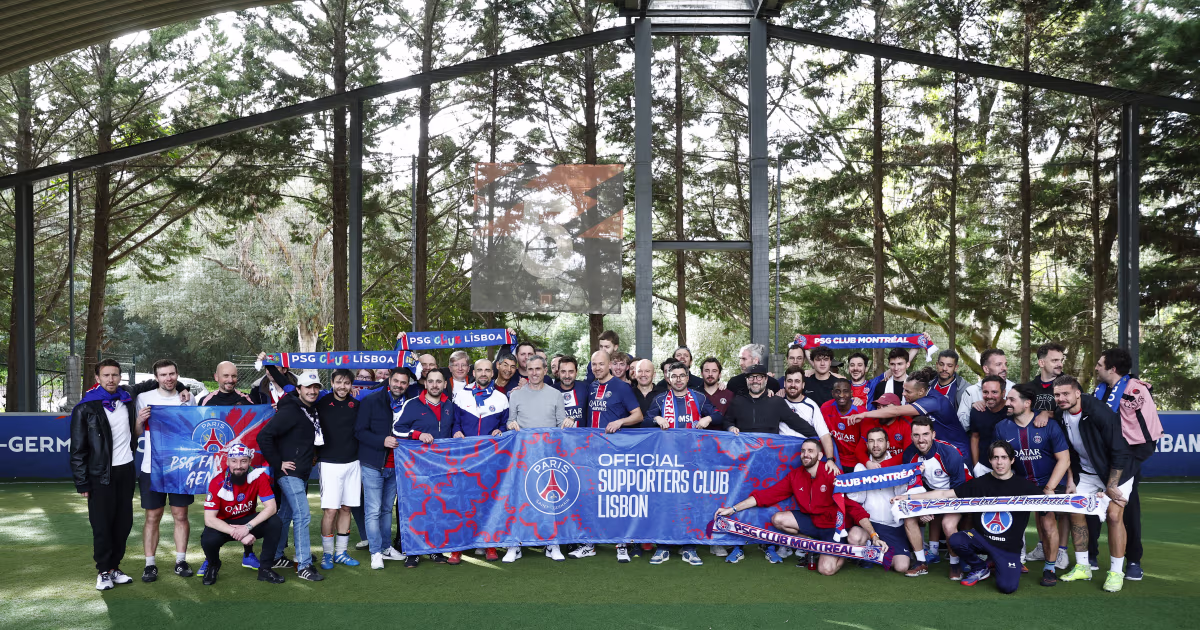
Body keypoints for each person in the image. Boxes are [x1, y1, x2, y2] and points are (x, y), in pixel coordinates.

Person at [70, 359, 188, 590]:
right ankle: (103, 571)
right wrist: (82, 482)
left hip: (126, 471)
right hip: (99, 474)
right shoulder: (85, 407)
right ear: (98, 378)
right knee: (102, 525)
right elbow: (77, 450)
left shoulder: (127, 396)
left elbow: (163, 379)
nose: (111, 379)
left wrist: (183, 387)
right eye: (106, 375)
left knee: (123, 523)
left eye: (115, 375)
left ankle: (115, 568)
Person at [716, 439, 884, 576]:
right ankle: (816, 546)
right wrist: (732, 509)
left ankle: (845, 552)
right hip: (812, 522)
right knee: (778, 519)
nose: (805, 455)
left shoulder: (832, 473)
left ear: (819, 455)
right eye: (803, 451)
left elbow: (853, 507)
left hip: (835, 527)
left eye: (810, 451)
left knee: (826, 570)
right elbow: (767, 495)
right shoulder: (795, 475)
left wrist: (873, 534)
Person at [902, 441, 1048, 594]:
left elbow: (1049, 506)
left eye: (1004, 457)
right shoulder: (980, 483)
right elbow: (945, 494)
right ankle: (980, 566)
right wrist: (909, 497)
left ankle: (998, 563)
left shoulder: (1026, 487)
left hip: (1008, 547)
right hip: (982, 539)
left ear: (1012, 460)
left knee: (1007, 587)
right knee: (956, 539)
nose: (999, 462)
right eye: (995, 457)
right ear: (990, 460)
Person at [1053, 374, 1135, 593]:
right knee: (1075, 512)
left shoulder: (1099, 413)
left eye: (1066, 394)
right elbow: (1067, 451)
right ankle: (1083, 566)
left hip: (1118, 471)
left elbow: (1120, 450)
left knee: (1114, 516)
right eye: (1057, 395)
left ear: (1078, 393)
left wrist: (1111, 484)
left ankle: (1116, 573)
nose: (1061, 398)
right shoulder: (1061, 415)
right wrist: (1071, 479)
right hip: (1087, 473)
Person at [642, 361, 725, 566]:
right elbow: (645, 421)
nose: (678, 379)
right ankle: (663, 546)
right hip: (667, 460)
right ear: (668, 379)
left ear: (688, 377)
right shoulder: (660, 399)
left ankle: (689, 547)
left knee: (690, 504)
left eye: (682, 375)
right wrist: (657, 419)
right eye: (674, 376)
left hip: (692, 460)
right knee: (665, 503)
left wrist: (708, 419)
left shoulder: (699, 397)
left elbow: (719, 415)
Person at [1093, 347, 1162, 581]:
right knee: (1093, 502)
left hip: (1127, 458)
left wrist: (1130, 459)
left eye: (1100, 364)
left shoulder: (1136, 389)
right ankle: (1090, 556)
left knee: (1126, 507)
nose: (1096, 368)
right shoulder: (1100, 390)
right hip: (1101, 457)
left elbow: (1147, 433)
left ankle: (1133, 560)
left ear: (1112, 369)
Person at [570, 350, 643, 562]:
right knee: (590, 497)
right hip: (590, 452)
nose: (597, 368)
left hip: (615, 452)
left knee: (616, 497)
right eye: (594, 364)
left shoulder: (622, 387)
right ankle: (589, 544)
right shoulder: (590, 386)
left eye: (601, 364)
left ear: (609, 364)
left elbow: (637, 415)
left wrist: (620, 422)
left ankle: (621, 544)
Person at [995, 383, 1071, 586]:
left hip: (1047, 484)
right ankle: (1013, 561)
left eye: (1012, 399)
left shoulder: (1048, 425)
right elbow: (1000, 460)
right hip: (1019, 484)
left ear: (1027, 403)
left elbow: (1064, 459)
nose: (1007, 403)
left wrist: (1050, 488)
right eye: (1007, 399)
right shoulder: (1002, 427)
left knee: (1047, 525)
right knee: (1011, 525)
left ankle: (1050, 568)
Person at [256, 370, 324, 582]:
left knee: (285, 515)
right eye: (308, 387)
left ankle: (276, 556)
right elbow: (263, 435)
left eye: (315, 388)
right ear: (299, 390)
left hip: (301, 471)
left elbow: (284, 383)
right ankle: (304, 564)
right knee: (302, 515)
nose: (312, 391)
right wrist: (278, 463)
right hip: (289, 472)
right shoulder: (291, 410)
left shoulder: (309, 409)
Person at [134, 359, 197, 582]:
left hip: (180, 466)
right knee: (153, 516)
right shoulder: (144, 398)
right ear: (156, 377)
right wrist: (140, 421)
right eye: (163, 375)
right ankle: (149, 565)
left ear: (177, 374)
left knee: (181, 514)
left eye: (172, 374)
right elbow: (137, 432)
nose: (168, 378)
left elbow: (194, 431)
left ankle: (180, 560)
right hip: (152, 466)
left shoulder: (188, 399)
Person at [196, 361, 260, 576]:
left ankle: (248, 553)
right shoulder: (206, 401)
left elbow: (259, 420)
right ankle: (210, 558)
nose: (230, 380)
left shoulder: (245, 399)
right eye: (225, 376)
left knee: (246, 506)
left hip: (241, 466)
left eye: (233, 376)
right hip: (216, 466)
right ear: (216, 377)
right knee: (216, 509)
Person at [504, 355, 568, 563]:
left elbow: (561, 425)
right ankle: (515, 544)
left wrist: (569, 424)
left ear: (545, 370)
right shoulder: (516, 395)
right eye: (530, 369)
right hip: (522, 457)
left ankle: (553, 543)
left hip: (548, 457)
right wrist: (511, 425)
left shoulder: (556, 394)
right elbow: (510, 422)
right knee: (518, 501)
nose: (533, 373)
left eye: (538, 369)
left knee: (550, 501)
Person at [449, 358, 510, 564]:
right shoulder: (460, 394)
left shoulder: (501, 398)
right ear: (473, 373)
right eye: (479, 370)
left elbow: (505, 424)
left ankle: (489, 545)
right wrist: (456, 431)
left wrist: (500, 430)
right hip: (464, 459)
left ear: (492, 374)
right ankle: (458, 547)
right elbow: (454, 422)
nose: (483, 373)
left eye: (487, 370)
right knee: (462, 502)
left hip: (490, 459)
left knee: (488, 501)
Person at [391, 369, 454, 568]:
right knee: (413, 507)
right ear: (425, 384)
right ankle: (412, 551)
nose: (435, 385)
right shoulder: (412, 404)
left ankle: (435, 550)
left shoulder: (449, 406)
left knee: (437, 507)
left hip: (441, 467)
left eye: (439, 382)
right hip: (415, 467)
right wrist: (417, 434)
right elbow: (396, 429)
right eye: (431, 381)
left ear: (445, 384)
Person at [199, 444, 286, 586]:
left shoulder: (258, 476)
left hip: (247, 521)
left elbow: (271, 508)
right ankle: (213, 565)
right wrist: (238, 532)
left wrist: (247, 527)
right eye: (234, 461)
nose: (238, 466)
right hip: (224, 524)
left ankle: (265, 569)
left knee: (275, 522)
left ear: (250, 462)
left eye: (243, 461)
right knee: (208, 540)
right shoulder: (217, 482)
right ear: (227, 462)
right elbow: (209, 519)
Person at [898, 416, 970, 579]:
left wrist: (936, 507)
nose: (921, 440)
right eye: (916, 435)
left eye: (925, 434)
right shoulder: (909, 454)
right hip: (931, 495)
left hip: (957, 493)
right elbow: (912, 485)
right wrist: (922, 508)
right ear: (911, 436)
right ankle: (921, 562)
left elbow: (958, 491)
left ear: (933, 434)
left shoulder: (949, 453)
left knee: (948, 524)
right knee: (909, 518)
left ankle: (954, 563)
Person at [846, 367, 968, 462]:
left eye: (908, 391)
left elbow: (896, 410)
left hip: (957, 451)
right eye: (904, 389)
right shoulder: (923, 395)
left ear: (921, 391)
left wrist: (865, 414)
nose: (903, 394)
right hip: (940, 450)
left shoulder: (933, 401)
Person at [356, 369, 411, 569]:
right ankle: (375, 552)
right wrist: (382, 441)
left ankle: (387, 547)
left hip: (397, 466)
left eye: (403, 382)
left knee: (387, 509)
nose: (399, 385)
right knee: (373, 510)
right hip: (373, 464)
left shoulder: (410, 403)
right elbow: (359, 431)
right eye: (396, 381)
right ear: (389, 380)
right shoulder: (372, 400)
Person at [311, 369, 362, 571]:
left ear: (351, 385)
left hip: (352, 463)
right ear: (331, 382)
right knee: (330, 510)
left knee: (346, 508)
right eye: (339, 382)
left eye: (347, 383)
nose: (343, 386)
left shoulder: (356, 405)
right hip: (329, 463)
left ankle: (341, 553)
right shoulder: (320, 404)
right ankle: (327, 554)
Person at [846, 427, 911, 574]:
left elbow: (902, 496)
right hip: (870, 523)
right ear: (867, 445)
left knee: (902, 567)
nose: (876, 445)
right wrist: (865, 479)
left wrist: (893, 477)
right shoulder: (860, 467)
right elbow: (856, 499)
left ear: (887, 444)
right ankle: (870, 544)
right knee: (854, 537)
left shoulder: (898, 466)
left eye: (880, 441)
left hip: (894, 526)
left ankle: (872, 552)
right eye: (871, 441)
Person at [780, 366, 836, 462]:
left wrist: (830, 459)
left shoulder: (811, 406)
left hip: (805, 458)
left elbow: (824, 435)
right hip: (781, 456)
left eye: (797, 381)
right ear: (784, 383)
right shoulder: (777, 404)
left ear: (803, 385)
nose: (793, 385)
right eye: (789, 381)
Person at [957, 348, 1015, 428]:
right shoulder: (971, 392)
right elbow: (961, 425)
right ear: (986, 369)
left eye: (1005, 364)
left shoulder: (1014, 389)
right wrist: (974, 410)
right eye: (999, 364)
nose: (1005, 368)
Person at [853, 393, 912, 466]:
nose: (880, 411)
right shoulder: (871, 421)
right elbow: (859, 450)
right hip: (875, 464)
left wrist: (883, 466)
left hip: (900, 466)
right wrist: (867, 463)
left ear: (897, 408)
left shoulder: (906, 423)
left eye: (885, 407)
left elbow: (909, 453)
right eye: (878, 407)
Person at [968, 376, 1009, 475]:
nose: (989, 396)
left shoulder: (1011, 410)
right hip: (984, 467)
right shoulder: (977, 411)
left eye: (994, 392)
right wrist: (976, 466)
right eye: (985, 392)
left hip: (1009, 467)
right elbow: (975, 437)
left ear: (1003, 393)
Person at [821, 379, 862, 472]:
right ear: (832, 393)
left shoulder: (860, 412)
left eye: (845, 391)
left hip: (857, 462)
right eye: (837, 392)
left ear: (851, 393)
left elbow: (865, 440)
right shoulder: (825, 408)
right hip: (834, 459)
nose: (841, 395)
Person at [1026, 342, 1065, 413]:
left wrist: (1049, 414)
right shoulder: (1028, 388)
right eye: (1055, 360)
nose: (1060, 364)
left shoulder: (1070, 385)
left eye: (1061, 360)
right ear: (1041, 363)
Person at [553, 355, 588, 428]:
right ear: (558, 372)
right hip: (559, 438)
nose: (567, 376)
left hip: (582, 437)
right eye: (563, 372)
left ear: (576, 372)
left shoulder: (586, 388)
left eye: (571, 372)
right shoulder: (551, 391)